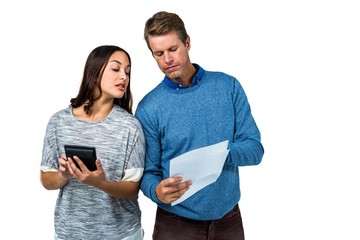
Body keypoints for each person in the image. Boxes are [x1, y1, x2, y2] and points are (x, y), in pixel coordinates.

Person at [135, 11, 264, 240]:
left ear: (187, 43)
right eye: (158, 54)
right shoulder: (149, 108)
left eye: (173, 49)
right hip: (174, 225)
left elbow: (254, 150)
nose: (167, 60)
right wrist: (156, 191)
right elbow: (148, 172)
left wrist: (217, 155)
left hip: (228, 220)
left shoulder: (228, 87)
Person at [40, 45, 146, 240]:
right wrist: (63, 175)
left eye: (127, 71)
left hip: (120, 234)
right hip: (69, 233)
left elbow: (132, 189)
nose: (124, 76)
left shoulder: (130, 127)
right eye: (116, 69)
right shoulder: (59, 122)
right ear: (95, 73)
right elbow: (46, 179)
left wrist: (101, 183)